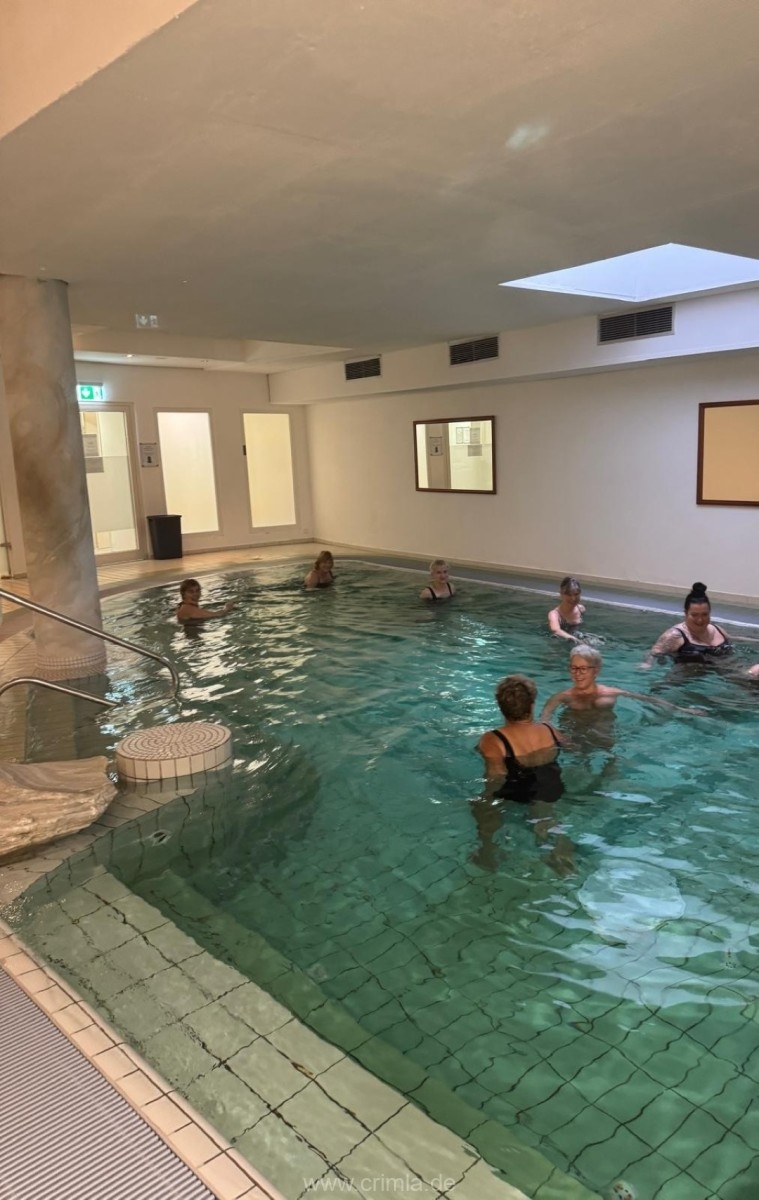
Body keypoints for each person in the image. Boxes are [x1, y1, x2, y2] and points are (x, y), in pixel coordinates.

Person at [472, 675, 572, 874]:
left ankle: (487, 853)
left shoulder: (493, 739)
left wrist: (486, 800)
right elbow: (570, 746)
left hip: (517, 788)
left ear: (500, 707)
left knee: (482, 808)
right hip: (552, 786)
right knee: (546, 816)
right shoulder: (549, 729)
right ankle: (562, 857)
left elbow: (495, 777)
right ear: (532, 705)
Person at [541, 644, 702, 719]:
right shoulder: (562, 697)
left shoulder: (610, 693)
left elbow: (648, 700)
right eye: (574, 668)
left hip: (605, 739)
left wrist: (682, 710)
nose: (577, 674)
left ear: (596, 671)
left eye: (583, 669)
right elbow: (545, 719)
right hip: (573, 739)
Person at [640, 581, 733, 668]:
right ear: (686, 613)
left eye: (704, 614)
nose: (700, 620)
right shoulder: (674, 635)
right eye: (694, 615)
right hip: (687, 672)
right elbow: (653, 653)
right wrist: (646, 665)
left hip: (722, 666)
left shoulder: (717, 630)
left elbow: (733, 639)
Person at [547, 577, 585, 643]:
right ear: (561, 594)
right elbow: (556, 630)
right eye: (569, 595)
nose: (573, 598)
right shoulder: (554, 614)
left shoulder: (581, 609)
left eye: (576, 594)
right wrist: (577, 641)